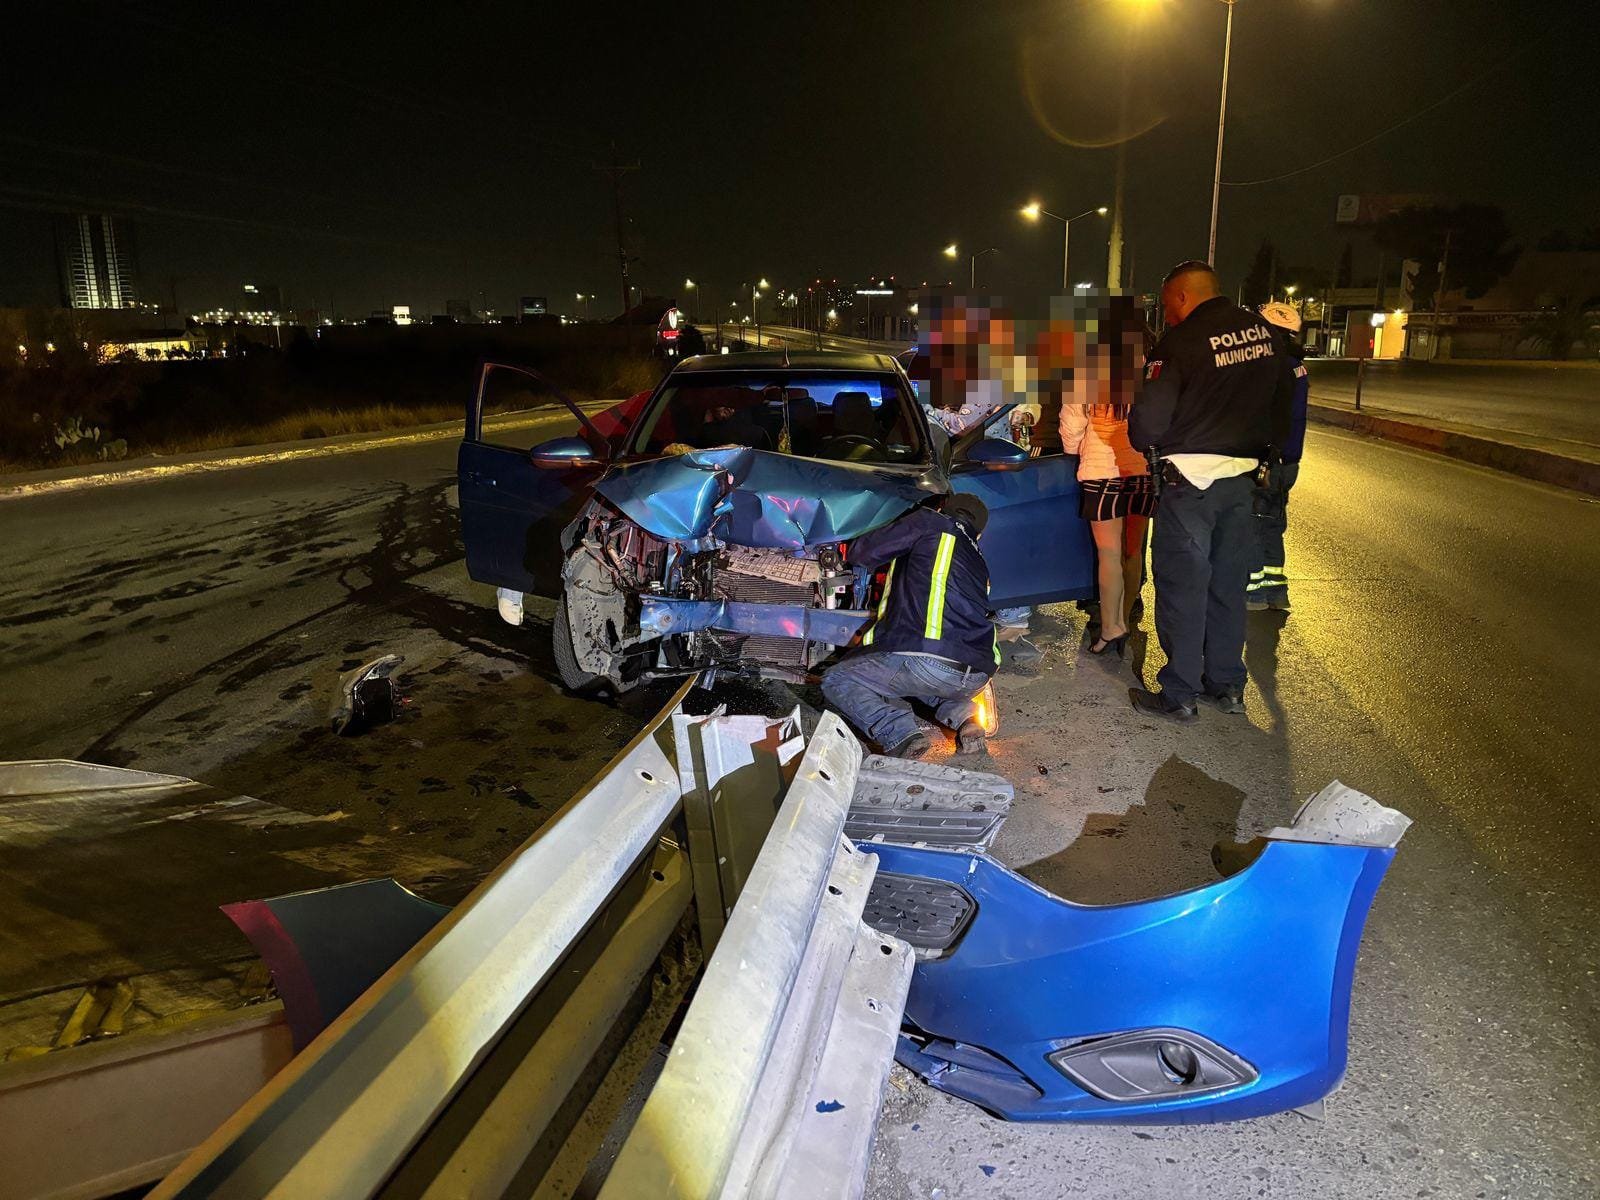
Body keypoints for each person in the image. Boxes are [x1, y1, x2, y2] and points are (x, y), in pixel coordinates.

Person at [1127, 261, 1294, 722]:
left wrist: (1143, 437)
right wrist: (1268, 453)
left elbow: (1150, 424)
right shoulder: (1265, 337)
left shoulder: (1179, 343)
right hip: (1242, 483)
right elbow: (1286, 402)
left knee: (1183, 587)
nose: (1168, 314)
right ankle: (1227, 685)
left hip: (1190, 485)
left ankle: (1180, 691)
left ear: (1181, 297)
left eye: (1167, 305)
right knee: (1227, 587)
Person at [822, 493, 999, 757]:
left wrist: (841, 555)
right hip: (977, 676)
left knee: (836, 678)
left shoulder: (933, 523)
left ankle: (899, 733)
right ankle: (967, 720)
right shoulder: (979, 561)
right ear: (979, 534)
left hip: (926, 659)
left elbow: (864, 552)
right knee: (924, 682)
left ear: (941, 509)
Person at [1058, 293, 1156, 657]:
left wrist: (1075, 450)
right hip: (1141, 470)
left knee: (1109, 554)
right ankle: (1127, 619)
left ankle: (1111, 626)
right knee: (1134, 551)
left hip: (1102, 473)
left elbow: (1071, 427)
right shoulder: (1149, 368)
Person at [1247, 302, 1310, 612]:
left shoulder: (1268, 366)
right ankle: (1276, 589)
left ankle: (1254, 592)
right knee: (1272, 523)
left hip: (1267, 460)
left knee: (1254, 523)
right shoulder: (1297, 367)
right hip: (1289, 462)